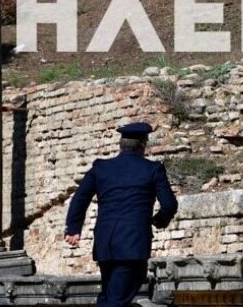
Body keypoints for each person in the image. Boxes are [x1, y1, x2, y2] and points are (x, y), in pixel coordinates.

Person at [64, 122, 178, 307]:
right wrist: (159, 220)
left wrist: (73, 228)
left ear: (120, 145)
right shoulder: (152, 169)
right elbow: (169, 204)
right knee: (116, 299)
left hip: (105, 244)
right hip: (133, 245)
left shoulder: (101, 168)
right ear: (143, 145)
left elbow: (80, 197)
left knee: (109, 296)